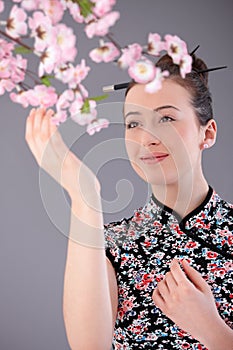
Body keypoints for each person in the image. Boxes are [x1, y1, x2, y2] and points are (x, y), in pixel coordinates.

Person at [25, 52, 233, 350]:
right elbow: (89, 346)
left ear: (207, 133)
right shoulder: (109, 243)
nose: (147, 138)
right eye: (134, 124)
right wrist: (84, 195)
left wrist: (212, 330)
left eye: (167, 118)